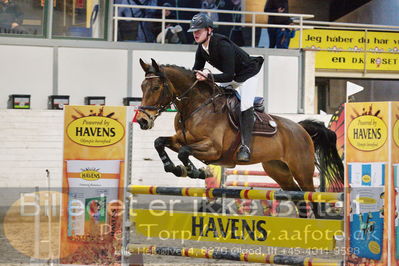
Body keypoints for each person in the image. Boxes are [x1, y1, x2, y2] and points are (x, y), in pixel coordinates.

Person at [189, 13, 264, 162]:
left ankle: (245, 147)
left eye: (199, 30)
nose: (195, 34)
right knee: (214, 98)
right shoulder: (201, 49)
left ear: (209, 30)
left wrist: (209, 77)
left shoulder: (222, 44)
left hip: (247, 74)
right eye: (193, 31)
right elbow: (195, 71)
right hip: (233, 77)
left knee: (245, 105)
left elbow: (228, 75)